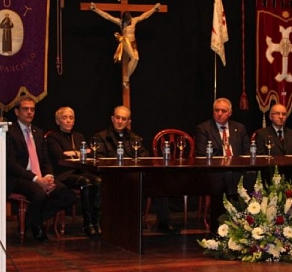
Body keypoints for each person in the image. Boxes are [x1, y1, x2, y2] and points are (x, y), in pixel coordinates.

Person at [94, 105, 180, 234]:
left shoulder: (135, 138)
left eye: (124, 119)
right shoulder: (101, 137)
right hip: (112, 177)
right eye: (117, 118)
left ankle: (164, 223)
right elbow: (99, 159)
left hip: (133, 176)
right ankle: (108, 224)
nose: (120, 121)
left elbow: (144, 157)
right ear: (112, 119)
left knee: (158, 183)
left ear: (128, 122)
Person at [6, 96, 77, 242]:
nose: (29, 112)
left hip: (40, 176)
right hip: (20, 177)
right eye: (25, 109)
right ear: (17, 111)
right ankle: (37, 227)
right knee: (40, 194)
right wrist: (36, 179)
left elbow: (45, 160)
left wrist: (49, 176)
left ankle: (31, 220)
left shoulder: (38, 133)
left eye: (32, 109)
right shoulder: (9, 132)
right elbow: (11, 164)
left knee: (68, 196)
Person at [194, 98, 251, 232]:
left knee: (250, 179)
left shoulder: (239, 128)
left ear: (230, 113)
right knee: (221, 181)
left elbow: (247, 152)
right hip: (215, 171)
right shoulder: (203, 128)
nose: (219, 113)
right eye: (216, 110)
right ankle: (219, 228)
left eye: (223, 111)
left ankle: (244, 226)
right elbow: (202, 154)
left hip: (237, 170)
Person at [46, 107, 102, 238]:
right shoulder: (53, 137)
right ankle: (87, 223)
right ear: (57, 121)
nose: (68, 121)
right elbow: (58, 156)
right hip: (63, 174)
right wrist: (78, 153)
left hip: (80, 171)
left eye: (71, 118)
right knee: (86, 182)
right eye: (64, 118)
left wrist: (71, 153)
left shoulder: (79, 136)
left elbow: (89, 154)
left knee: (99, 181)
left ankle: (97, 222)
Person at [90, 2, 161, 86]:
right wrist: (95, 9)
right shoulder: (120, 23)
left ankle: (126, 78)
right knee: (134, 58)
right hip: (126, 41)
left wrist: (154, 9)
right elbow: (108, 17)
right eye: (126, 22)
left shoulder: (134, 20)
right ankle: (125, 79)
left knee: (136, 59)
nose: (128, 23)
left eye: (128, 21)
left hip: (133, 43)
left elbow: (145, 15)